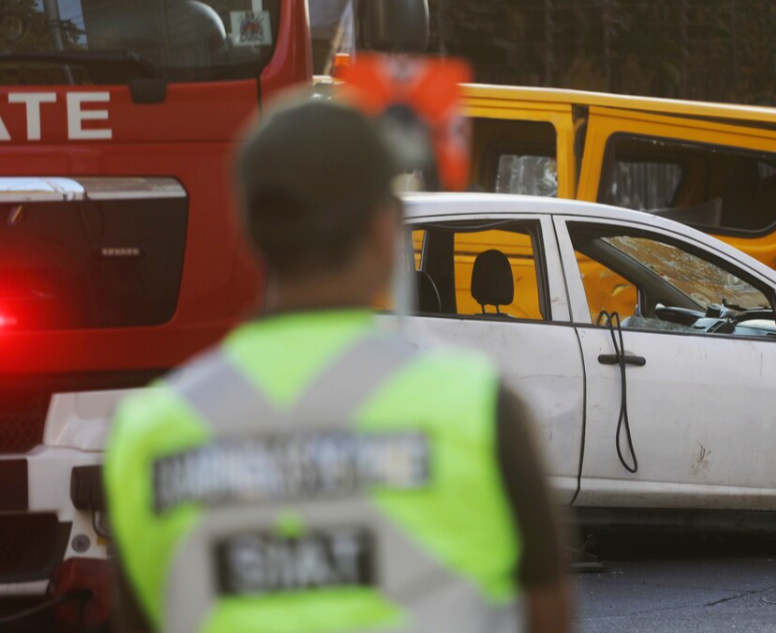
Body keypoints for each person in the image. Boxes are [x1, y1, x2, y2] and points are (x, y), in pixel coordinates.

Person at [104, 99, 570, 633]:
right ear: (382, 231)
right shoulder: (480, 412)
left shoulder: (149, 434)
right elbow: (548, 615)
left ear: (248, 233)